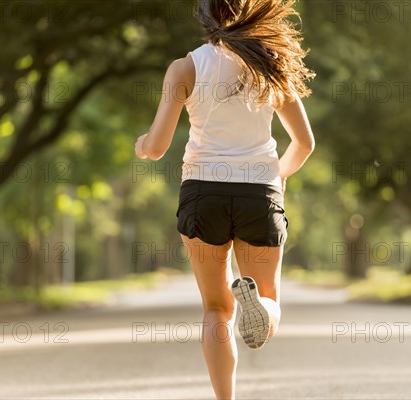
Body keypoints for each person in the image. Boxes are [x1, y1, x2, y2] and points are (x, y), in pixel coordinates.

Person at [134, 1, 315, 398]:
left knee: (217, 309)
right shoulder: (270, 66)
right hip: (259, 192)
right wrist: (279, 176)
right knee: (269, 301)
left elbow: (159, 145)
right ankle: (261, 311)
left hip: (203, 192)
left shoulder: (185, 68)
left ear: (205, 18)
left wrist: (142, 146)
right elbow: (304, 143)